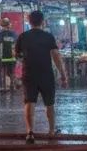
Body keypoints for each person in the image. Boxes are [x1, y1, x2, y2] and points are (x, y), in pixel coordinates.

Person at [15, 9, 67, 142]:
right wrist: (63, 74)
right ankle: (51, 131)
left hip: (29, 73)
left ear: (29, 21)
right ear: (42, 22)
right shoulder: (48, 37)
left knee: (29, 101)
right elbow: (56, 56)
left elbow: (18, 56)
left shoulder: (22, 37)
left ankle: (30, 132)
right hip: (46, 73)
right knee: (49, 103)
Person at [0, 16, 18, 91]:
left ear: (2, 26)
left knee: (3, 72)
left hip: (3, 57)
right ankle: (13, 86)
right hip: (12, 57)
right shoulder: (14, 34)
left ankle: (4, 87)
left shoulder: (1, 35)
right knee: (12, 72)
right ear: (8, 25)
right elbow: (17, 43)